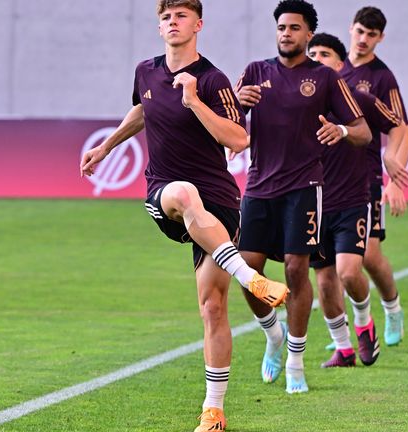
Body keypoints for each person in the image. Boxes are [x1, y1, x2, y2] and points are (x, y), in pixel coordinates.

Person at [79, 1, 290, 430]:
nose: (173, 23)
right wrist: (106, 147)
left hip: (220, 201)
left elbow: (238, 137)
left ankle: (214, 410)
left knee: (213, 307)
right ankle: (253, 278)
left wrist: (193, 101)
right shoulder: (146, 71)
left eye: (181, 16)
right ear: (160, 28)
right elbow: (143, 110)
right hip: (168, 191)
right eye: (166, 17)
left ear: (198, 24)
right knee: (184, 193)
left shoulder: (211, 80)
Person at [234, 0, 372, 393]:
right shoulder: (254, 73)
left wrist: (341, 132)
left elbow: (362, 131)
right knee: (247, 272)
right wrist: (237, 109)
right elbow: (226, 124)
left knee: (297, 270)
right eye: (281, 27)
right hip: (259, 186)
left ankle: (296, 360)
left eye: (294, 28)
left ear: (308, 34)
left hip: (305, 188)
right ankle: (272, 335)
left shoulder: (324, 78)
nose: (286, 33)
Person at [307, 33, 408, 368]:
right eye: (313, 53)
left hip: (353, 197)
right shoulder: (296, 102)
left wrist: (393, 161)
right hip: (313, 202)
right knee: (324, 283)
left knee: (350, 272)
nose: (317, 58)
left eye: (325, 54)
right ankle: (344, 348)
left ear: (340, 64)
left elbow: (399, 127)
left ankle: (367, 322)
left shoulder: (359, 99)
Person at [341, 6, 408, 347]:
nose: (364, 39)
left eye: (372, 34)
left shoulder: (382, 77)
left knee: (367, 255)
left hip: (365, 177)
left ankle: (392, 308)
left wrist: (395, 178)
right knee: (335, 259)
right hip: (328, 177)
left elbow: (401, 128)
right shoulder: (333, 68)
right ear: (350, 30)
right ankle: (343, 330)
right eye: (360, 31)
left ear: (380, 38)